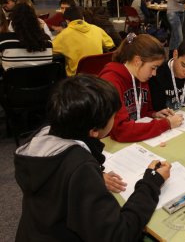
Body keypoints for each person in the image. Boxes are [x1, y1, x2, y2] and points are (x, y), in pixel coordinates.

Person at [14, 74, 172, 241]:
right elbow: (118, 235)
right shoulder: (80, 167)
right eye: (113, 116)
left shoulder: (43, 136)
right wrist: (151, 183)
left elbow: (61, 181)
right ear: (94, 131)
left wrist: (94, 177)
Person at [99, 33, 184, 142]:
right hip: (110, 144)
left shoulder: (141, 76)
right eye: (153, 67)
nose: (154, 74)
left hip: (135, 139)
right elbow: (120, 131)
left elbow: (140, 112)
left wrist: (153, 114)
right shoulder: (111, 81)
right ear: (137, 61)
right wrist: (166, 123)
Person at [52, 6, 115, 76]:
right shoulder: (97, 29)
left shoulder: (63, 35)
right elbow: (110, 44)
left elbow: (51, 50)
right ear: (83, 18)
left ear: (67, 21)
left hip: (76, 80)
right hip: (98, 77)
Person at [0, 2, 52, 70]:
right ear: (36, 20)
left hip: (14, 80)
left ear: (13, 21)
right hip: (43, 79)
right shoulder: (47, 41)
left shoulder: (4, 41)